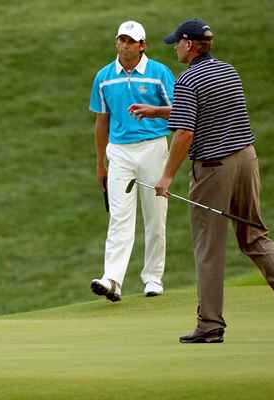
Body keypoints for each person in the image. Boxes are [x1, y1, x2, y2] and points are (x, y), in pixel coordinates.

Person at [131, 19, 274, 343]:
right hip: (246, 160)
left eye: (177, 42)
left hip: (214, 168)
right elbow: (203, 110)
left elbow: (186, 131)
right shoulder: (227, 70)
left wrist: (166, 176)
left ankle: (209, 325)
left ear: (189, 45)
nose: (174, 47)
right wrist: (160, 111)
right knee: (255, 236)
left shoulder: (188, 79)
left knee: (208, 247)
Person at [88, 21, 175, 302]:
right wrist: (101, 163)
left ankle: (153, 278)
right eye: (121, 40)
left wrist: (155, 113)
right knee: (119, 217)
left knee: (155, 216)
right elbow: (101, 121)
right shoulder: (103, 77)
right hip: (119, 152)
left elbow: (178, 111)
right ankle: (112, 279)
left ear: (142, 45)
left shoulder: (160, 72)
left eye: (130, 41)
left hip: (153, 148)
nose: (124, 45)